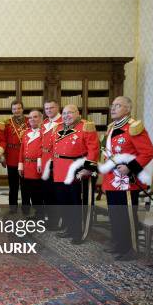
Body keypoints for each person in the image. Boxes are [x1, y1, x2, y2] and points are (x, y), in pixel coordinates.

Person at [98, 96, 153, 261]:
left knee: (127, 216)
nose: (113, 108)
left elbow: (148, 152)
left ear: (128, 109)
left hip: (127, 181)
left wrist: (131, 167)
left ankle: (130, 248)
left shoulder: (134, 128)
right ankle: (118, 243)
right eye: (112, 105)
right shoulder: (111, 128)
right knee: (115, 214)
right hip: (111, 179)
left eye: (118, 105)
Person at [44, 104, 99, 244]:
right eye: (64, 113)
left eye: (70, 113)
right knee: (63, 202)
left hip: (77, 170)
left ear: (78, 113)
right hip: (59, 170)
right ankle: (69, 228)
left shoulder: (86, 127)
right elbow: (51, 148)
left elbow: (93, 150)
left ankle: (79, 232)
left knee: (76, 204)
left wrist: (88, 168)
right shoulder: (58, 128)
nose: (66, 116)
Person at [41, 100, 63, 229]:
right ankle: (50, 218)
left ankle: (58, 221)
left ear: (58, 108)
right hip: (44, 163)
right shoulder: (44, 123)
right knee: (47, 193)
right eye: (46, 108)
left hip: (56, 163)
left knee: (56, 194)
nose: (48, 110)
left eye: (51, 108)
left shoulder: (63, 123)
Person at [18, 110, 45, 218]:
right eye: (30, 118)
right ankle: (26, 212)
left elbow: (44, 150)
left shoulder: (44, 132)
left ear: (41, 118)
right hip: (26, 166)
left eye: (35, 117)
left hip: (36, 167)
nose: (32, 119)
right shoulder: (26, 132)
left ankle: (39, 214)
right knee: (25, 191)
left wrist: (39, 163)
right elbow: (22, 150)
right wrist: (20, 165)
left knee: (36, 192)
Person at [4, 100, 29, 212]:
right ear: (12, 110)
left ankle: (26, 208)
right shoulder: (7, 123)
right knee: (13, 186)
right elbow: (3, 141)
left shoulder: (29, 121)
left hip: (25, 157)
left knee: (25, 186)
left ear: (22, 109)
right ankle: (12, 208)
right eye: (14, 109)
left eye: (18, 108)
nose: (16, 111)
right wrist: (3, 157)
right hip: (12, 157)